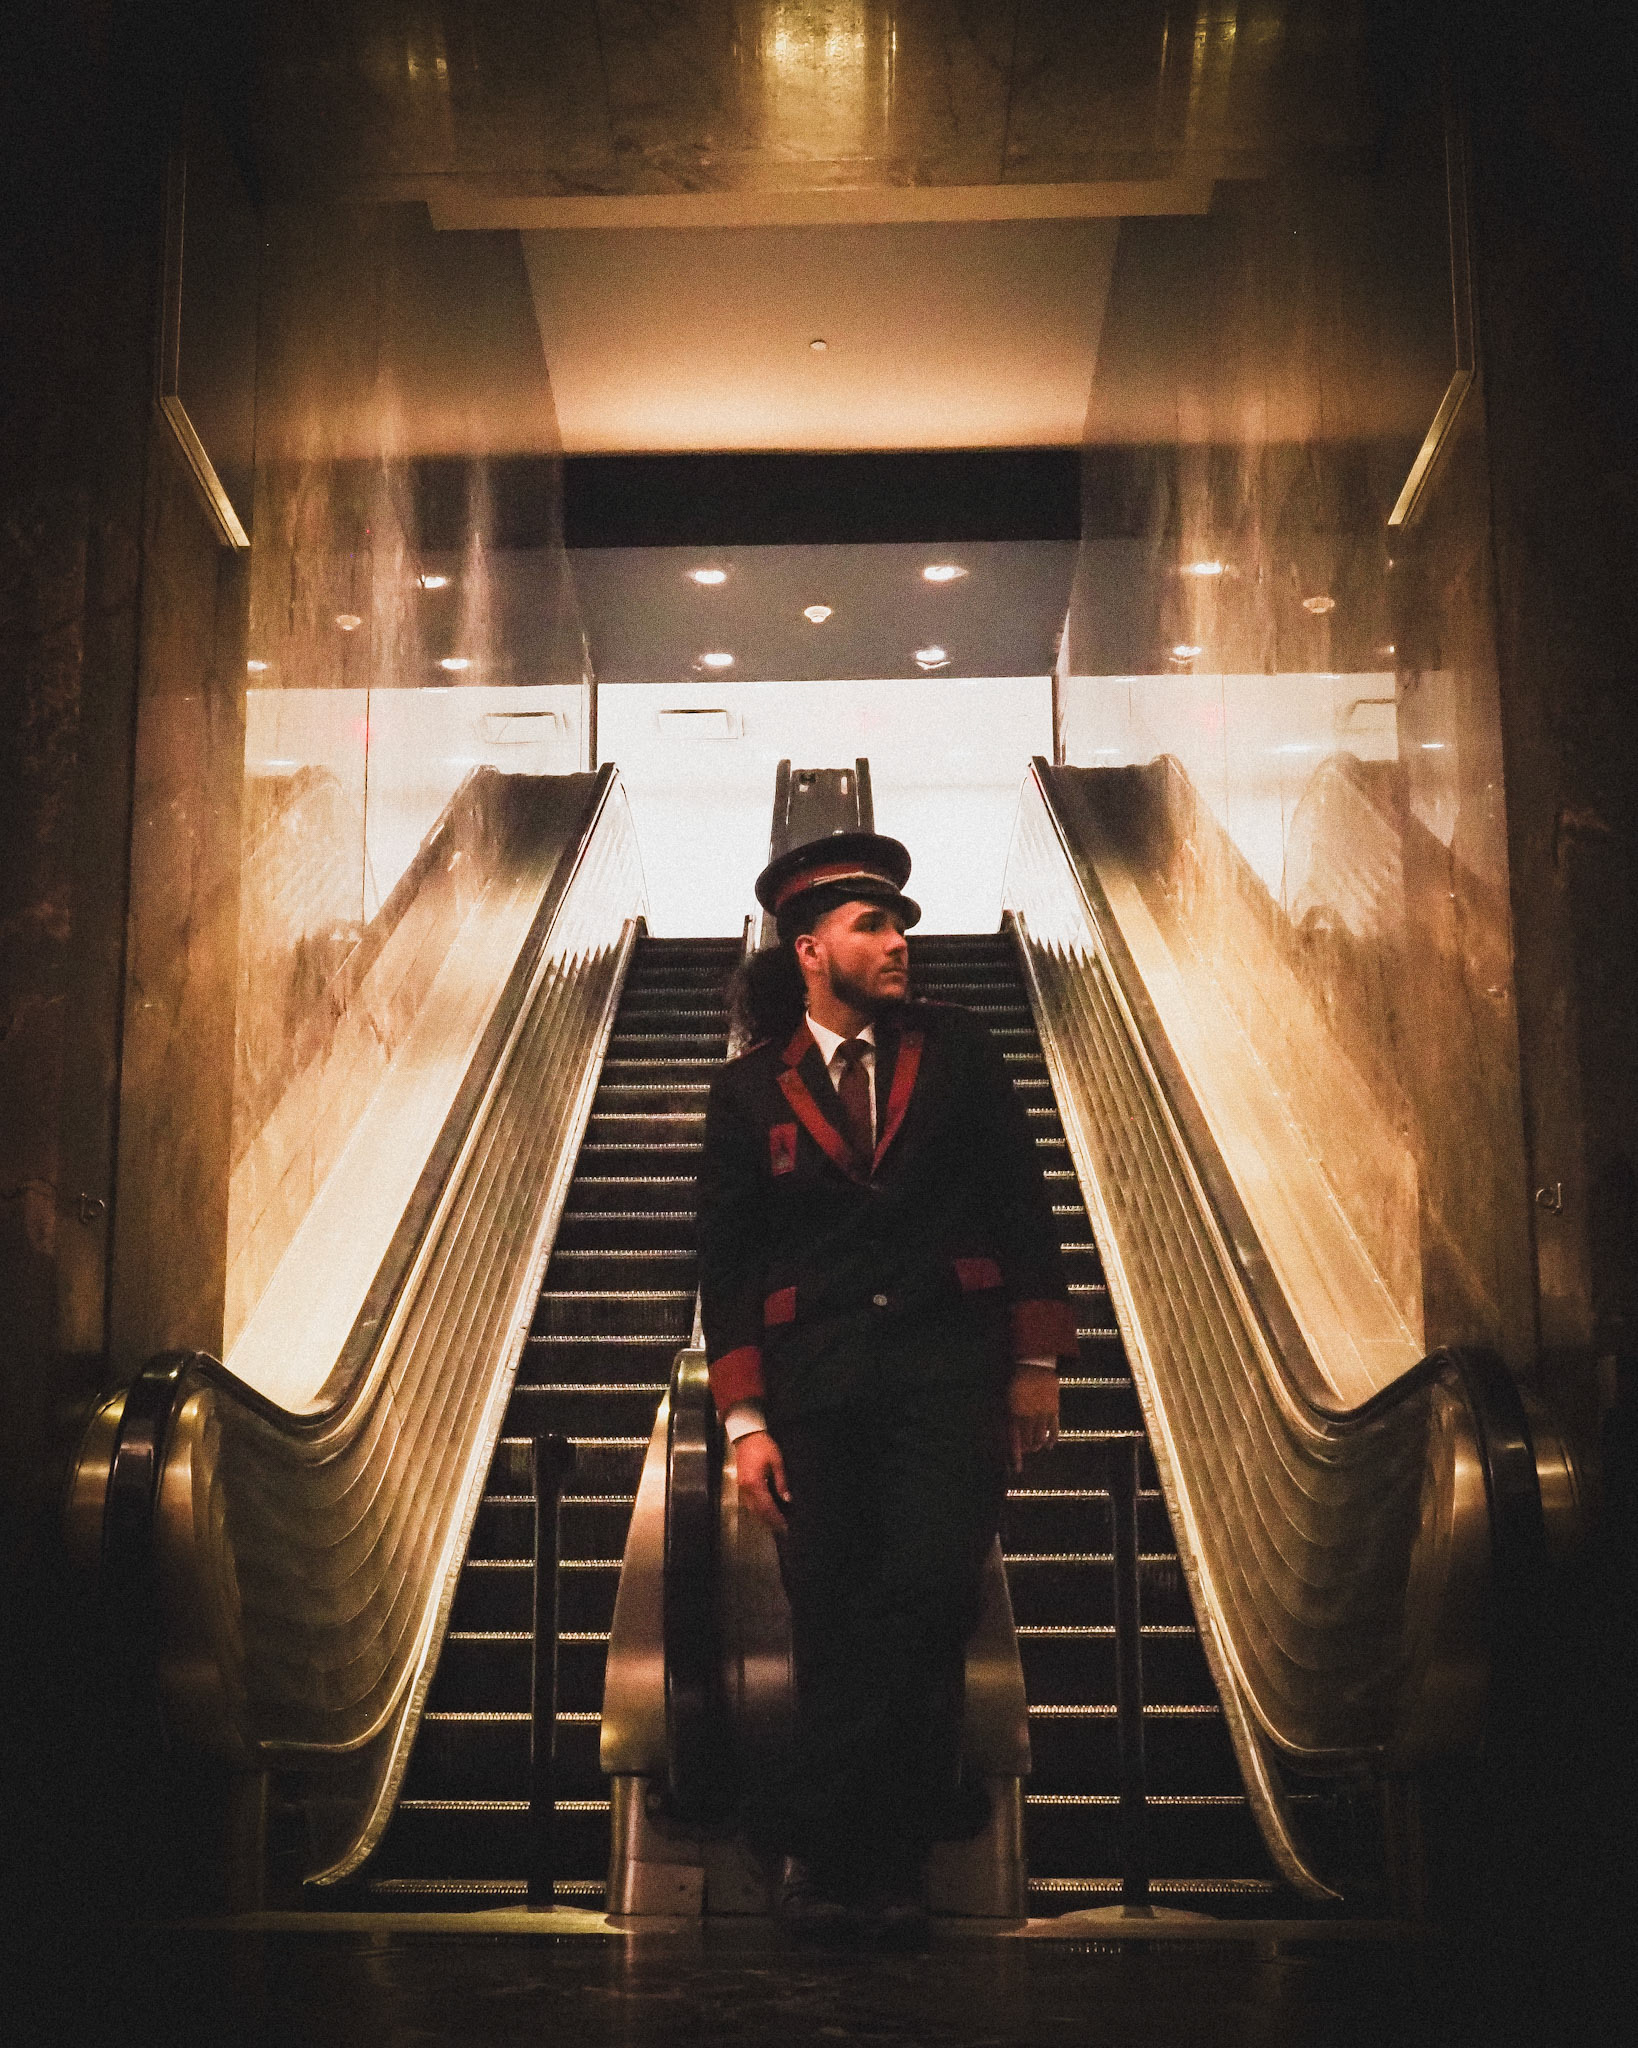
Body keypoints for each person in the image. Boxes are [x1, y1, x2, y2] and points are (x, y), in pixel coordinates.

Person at [696, 832, 1076, 1940]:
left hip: (947, 1378)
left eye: (900, 923)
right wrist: (745, 1420)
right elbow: (727, 1262)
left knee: (927, 1600)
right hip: (814, 1392)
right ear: (810, 950)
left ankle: (877, 1856)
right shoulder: (746, 1091)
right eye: (871, 926)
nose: (899, 941)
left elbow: (1022, 1201)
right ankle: (833, 1859)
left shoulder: (960, 1049)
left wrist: (1035, 1363)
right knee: (831, 1615)